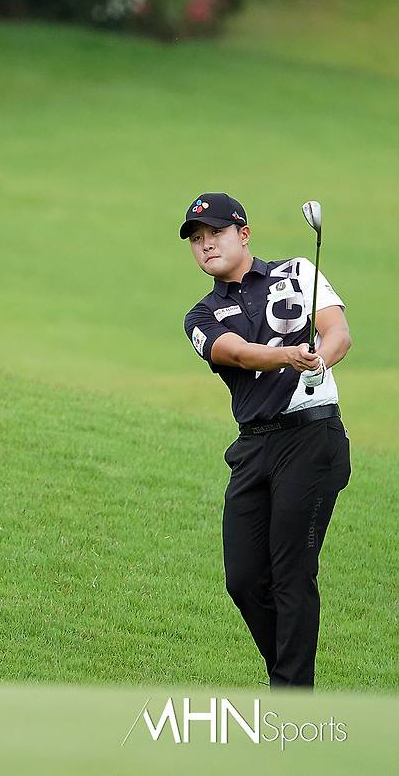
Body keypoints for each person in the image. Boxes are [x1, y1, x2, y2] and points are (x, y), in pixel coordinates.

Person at [180, 192, 352, 689]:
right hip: (254, 447)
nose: (206, 244)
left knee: (291, 573)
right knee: (244, 580)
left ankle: (291, 698)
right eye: (196, 238)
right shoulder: (201, 316)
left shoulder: (297, 271)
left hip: (311, 436)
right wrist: (287, 356)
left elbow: (337, 331)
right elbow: (235, 353)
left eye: (216, 233)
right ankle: (290, 682)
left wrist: (320, 360)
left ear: (244, 234)